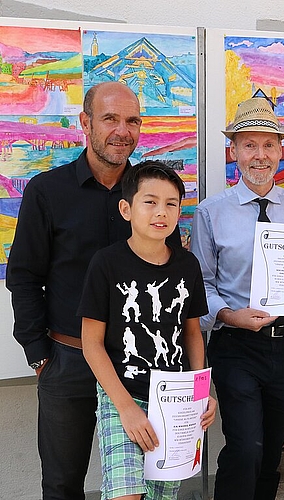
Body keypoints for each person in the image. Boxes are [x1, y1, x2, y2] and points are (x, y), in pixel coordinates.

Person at [5, 81, 181, 500]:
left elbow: (169, 277)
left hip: (141, 363)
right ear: (85, 123)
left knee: (143, 484)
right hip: (69, 362)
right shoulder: (47, 191)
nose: (122, 130)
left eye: (132, 121)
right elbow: (24, 275)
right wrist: (38, 354)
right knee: (63, 484)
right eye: (110, 119)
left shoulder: (151, 194)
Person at [191, 97, 284, 500]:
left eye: (269, 145)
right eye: (249, 145)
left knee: (271, 448)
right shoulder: (210, 212)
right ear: (234, 151)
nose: (260, 155)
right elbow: (202, 286)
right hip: (237, 347)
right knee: (245, 447)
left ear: (281, 151)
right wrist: (231, 317)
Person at [78, 160, 216, 500]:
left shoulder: (187, 265)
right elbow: (91, 342)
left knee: (160, 495)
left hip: (175, 400)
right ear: (127, 208)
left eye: (171, 204)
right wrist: (125, 407)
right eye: (150, 202)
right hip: (122, 394)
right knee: (126, 493)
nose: (161, 212)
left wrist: (202, 393)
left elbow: (192, 333)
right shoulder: (106, 263)